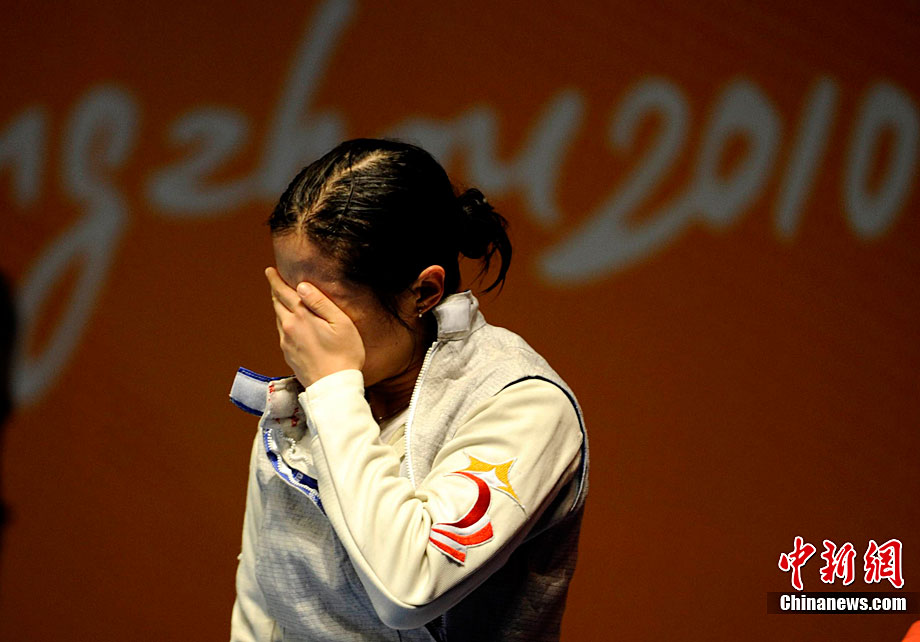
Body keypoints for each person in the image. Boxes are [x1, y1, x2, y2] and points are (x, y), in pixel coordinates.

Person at [229, 138, 588, 642]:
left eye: (324, 306)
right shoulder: (301, 408)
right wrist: (327, 393)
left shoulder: (522, 403)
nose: (298, 330)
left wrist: (332, 388)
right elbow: (262, 606)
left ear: (424, 291)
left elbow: (409, 590)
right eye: (288, 297)